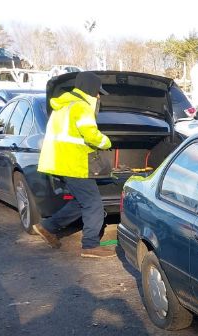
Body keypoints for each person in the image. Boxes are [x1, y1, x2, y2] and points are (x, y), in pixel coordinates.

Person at [32, 72, 115, 258]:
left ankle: (47, 227)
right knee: (94, 204)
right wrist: (107, 142)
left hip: (59, 162)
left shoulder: (64, 105)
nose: (98, 96)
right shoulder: (81, 106)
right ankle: (91, 246)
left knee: (80, 202)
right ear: (90, 89)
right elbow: (91, 135)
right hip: (74, 164)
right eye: (98, 92)